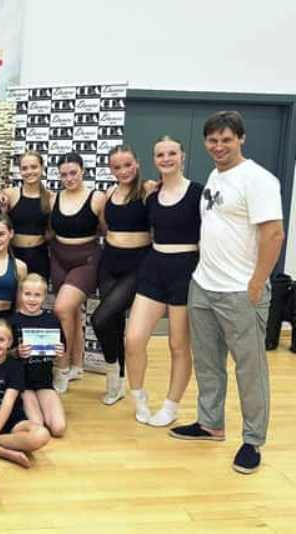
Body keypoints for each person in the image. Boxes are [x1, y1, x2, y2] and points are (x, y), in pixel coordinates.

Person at [170, 111, 284, 475]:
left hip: (240, 292)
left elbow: (273, 234)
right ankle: (210, 423)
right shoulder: (217, 177)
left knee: (250, 370)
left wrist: (255, 284)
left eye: (226, 140)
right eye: (212, 140)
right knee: (207, 362)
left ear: (241, 139)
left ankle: (252, 440)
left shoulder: (258, 179)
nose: (218, 147)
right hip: (203, 285)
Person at [125, 136, 202, 427]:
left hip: (186, 270)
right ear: (154, 160)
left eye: (172, 153)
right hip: (155, 267)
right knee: (133, 339)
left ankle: (171, 405)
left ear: (182, 156)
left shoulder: (198, 193)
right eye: (160, 154)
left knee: (178, 345)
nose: (166, 158)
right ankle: (139, 397)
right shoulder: (151, 194)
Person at [91, 145, 153, 405]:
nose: (123, 170)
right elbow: (105, 226)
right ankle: (116, 381)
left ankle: (116, 373)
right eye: (117, 167)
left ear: (136, 163)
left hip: (137, 264)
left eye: (127, 164)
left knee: (99, 318)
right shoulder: (110, 193)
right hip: (109, 262)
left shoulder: (148, 190)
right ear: (111, 170)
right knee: (112, 322)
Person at [48, 152, 106, 393]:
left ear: (83, 170)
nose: (68, 178)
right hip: (59, 258)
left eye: (73, 173)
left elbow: (107, 230)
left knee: (61, 308)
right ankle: (77, 365)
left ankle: (60, 369)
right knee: (71, 314)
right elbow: (49, 231)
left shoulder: (97, 198)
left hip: (87, 259)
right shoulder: (53, 199)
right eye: (63, 174)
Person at [0, 319, 51, 467]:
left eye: (1, 340)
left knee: (42, 435)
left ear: (10, 343)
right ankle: (1, 451)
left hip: (11, 422)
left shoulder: (15, 367)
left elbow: (8, 402)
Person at [11, 274, 66, 437]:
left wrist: (59, 351)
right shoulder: (13, 321)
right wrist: (16, 352)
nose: (32, 299)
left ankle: (45, 407)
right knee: (38, 426)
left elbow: (61, 350)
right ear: (21, 294)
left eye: (37, 295)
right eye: (28, 294)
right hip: (23, 384)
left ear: (44, 296)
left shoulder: (52, 320)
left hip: (44, 382)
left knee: (58, 429)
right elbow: (3, 355)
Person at [4, 151, 52, 279]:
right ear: (19, 171)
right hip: (13, 256)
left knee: (34, 298)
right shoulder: (10, 194)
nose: (29, 171)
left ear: (42, 168)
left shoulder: (50, 198)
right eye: (24, 168)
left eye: (34, 167)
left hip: (39, 257)